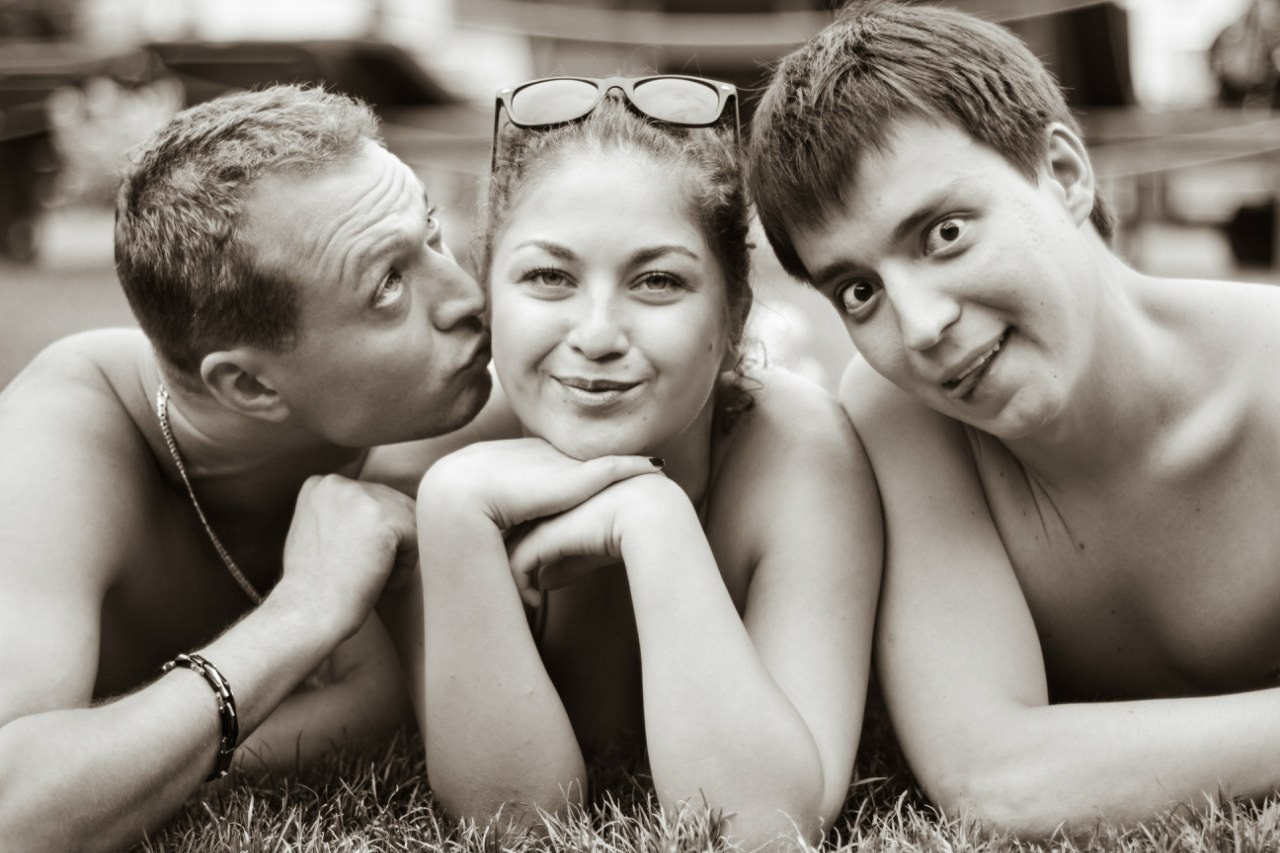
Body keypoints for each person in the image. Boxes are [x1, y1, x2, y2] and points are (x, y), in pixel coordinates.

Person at [747, 0, 1280, 836]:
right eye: (859, 290)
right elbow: (994, 776)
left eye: (945, 233)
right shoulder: (903, 411)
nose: (920, 326)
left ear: (1063, 175)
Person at [0, 84, 540, 853]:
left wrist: (152, 760)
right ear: (250, 385)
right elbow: (14, 808)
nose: (468, 297)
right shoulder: (66, 440)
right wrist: (305, 609)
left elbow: (380, 703)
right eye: (388, 284)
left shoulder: (454, 408)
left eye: (430, 231)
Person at [399, 77, 883, 849]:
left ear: (734, 316)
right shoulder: (441, 455)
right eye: (548, 277)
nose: (596, 334)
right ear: (489, 297)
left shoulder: (800, 455)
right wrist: (454, 507)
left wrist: (652, 517)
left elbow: (765, 830)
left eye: (657, 281)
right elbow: (515, 824)